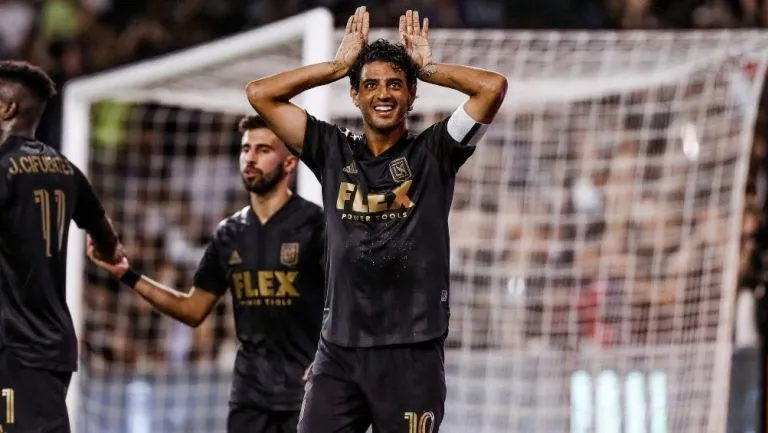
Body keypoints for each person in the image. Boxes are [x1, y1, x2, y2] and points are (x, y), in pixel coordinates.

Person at [246, 7, 507, 433]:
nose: (382, 94)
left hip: (411, 352)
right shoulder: (331, 149)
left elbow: (493, 88)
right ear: (355, 95)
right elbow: (260, 94)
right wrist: (335, 66)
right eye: (370, 84)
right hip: (339, 350)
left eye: (394, 85)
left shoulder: (435, 152)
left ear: (411, 95)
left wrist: (429, 67)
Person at [87, 114, 326, 433]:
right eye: (245, 149)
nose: (250, 158)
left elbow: (347, 299)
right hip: (249, 395)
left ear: (290, 163)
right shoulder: (229, 233)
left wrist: (329, 358)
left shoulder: (316, 225)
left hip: (307, 392)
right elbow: (192, 309)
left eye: (263, 150)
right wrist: (127, 274)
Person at [0, 60, 123, 433]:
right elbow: (108, 241)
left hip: (15, 347)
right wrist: (105, 252)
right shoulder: (66, 169)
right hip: (49, 343)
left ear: (7, 109)